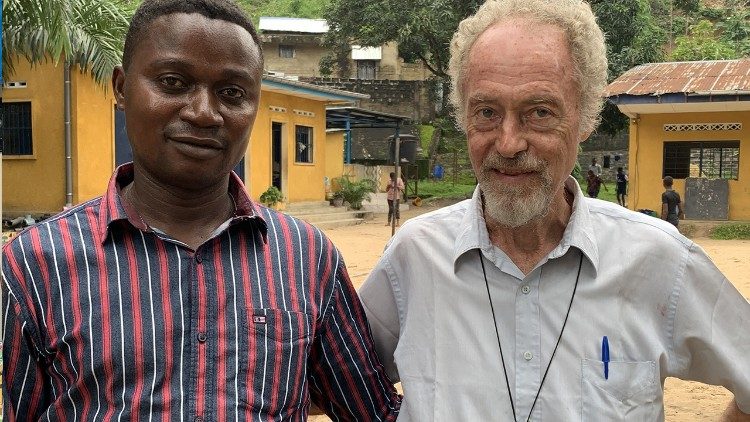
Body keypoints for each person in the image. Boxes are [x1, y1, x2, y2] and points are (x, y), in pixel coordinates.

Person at [1, 1, 401, 420]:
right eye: (173, 82)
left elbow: (373, 413)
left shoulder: (307, 257)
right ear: (121, 88)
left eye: (232, 93)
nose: (204, 113)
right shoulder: (35, 264)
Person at [359, 0, 750, 420]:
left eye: (539, 113)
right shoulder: (414, 258)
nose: (508, 144)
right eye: (487, 112)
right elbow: (327, 385)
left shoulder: (659, 261)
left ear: (584, 118)